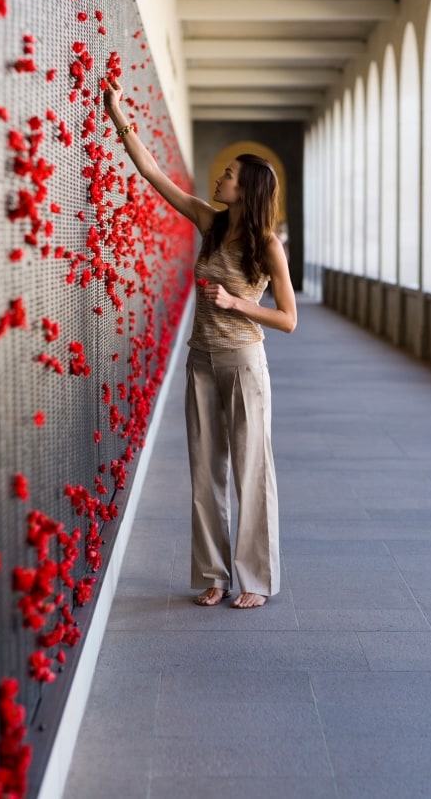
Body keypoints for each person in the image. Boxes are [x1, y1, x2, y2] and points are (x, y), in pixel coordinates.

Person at [103, 80, 297, 609]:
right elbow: (153, 174)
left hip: (244, 362)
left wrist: (237, 304)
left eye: (230, 175)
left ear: (248, 189)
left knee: (251, 470)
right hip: (201, 361)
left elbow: (288, 319)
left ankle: (255, 577)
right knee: (204, 470)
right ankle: (214, 574)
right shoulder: (209, 225)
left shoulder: (268, 247)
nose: (220, 176)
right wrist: (116, 112)